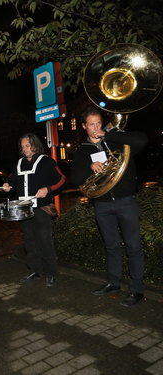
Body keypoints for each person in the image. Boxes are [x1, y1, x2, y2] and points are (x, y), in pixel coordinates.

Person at [71, 107, 148, 307]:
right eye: (91, 124)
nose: (96, 127)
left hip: (126, 201)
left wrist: (110, 134)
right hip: (102, 204)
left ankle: (137, 289)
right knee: (111, 246)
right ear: (84, 127)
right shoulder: (82, 150)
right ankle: (113, 282)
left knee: (133, 247)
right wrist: (89, 168)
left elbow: (142, 141)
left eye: (98, 123)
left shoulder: (115, 140)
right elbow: (75, 178)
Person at [2, 133, 66, 287]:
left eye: (27, 145)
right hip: (24, 209)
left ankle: (51, 273)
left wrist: (48, 189)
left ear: (35, 145)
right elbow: (12, 181)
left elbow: (62, 180)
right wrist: (7, 186)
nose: (24, 149)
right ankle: (35, 270)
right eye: (22, 146)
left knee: (45, 241)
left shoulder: (46, 162)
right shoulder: (18, 164)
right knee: (30, 242)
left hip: (41, 209)